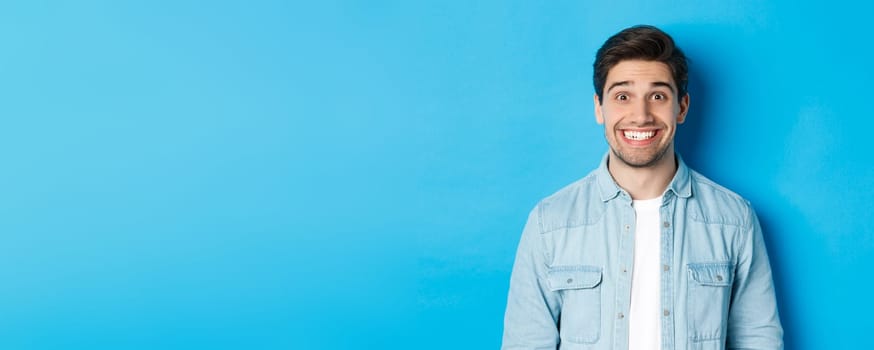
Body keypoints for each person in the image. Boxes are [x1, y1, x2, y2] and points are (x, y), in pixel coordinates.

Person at [501, 25, 783, 350]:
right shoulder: (550, 223)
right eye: (623, 96)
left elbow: (759, 340)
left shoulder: (733, 219)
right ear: (599, 107)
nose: (641, 115)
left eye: (658, 96)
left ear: (682, 107)